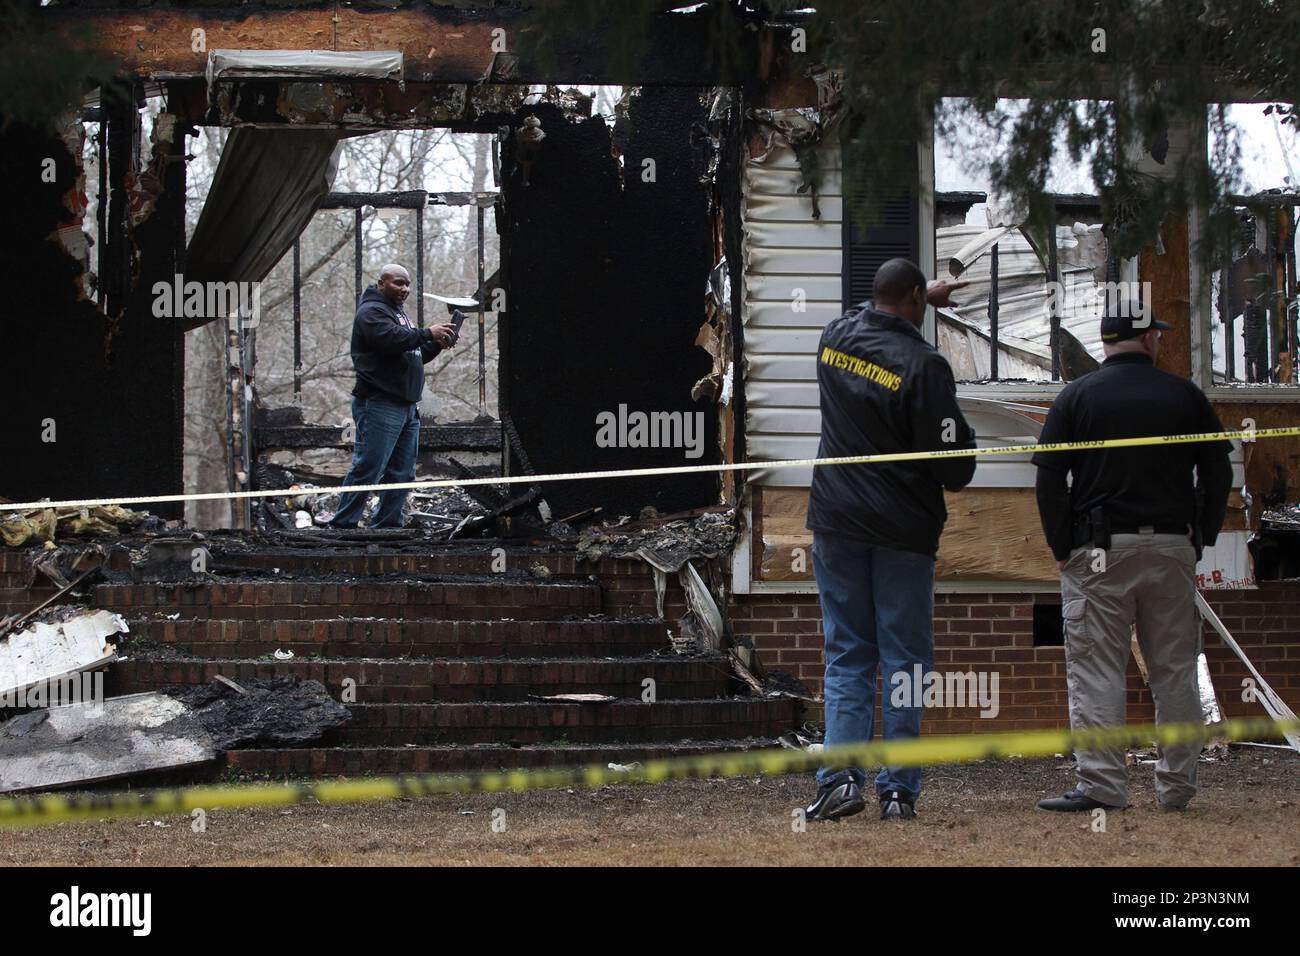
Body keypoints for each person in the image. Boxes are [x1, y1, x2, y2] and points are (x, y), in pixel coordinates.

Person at [1032, 307, 1233, 812]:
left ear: (1106, 343)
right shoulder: (1184, 395)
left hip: (1099, 554)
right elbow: (1218, 471)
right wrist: (1200, 535)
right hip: (1170, 550)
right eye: (1157, 335)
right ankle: (1178, 787)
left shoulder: (1075, 397)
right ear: (1145, 339)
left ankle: (1102, 787)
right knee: (1175, 669)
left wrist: (1062, 548)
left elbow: (1050, 480)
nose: (1161, 342)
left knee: (1098, 667)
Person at [804, 258, 975, 822]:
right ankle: (898, 790)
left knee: (848, 653)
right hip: (902, 531)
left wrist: (920, 294)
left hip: (836, 522)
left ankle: (839, 783)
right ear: (917, 301)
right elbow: (953, 466)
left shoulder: (834, 339)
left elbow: (869, 313)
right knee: (904, 660)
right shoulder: (926, 367)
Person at [330, 264, 458, 529]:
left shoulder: (397, 314)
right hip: (380, 402)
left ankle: (388, 525)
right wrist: (426, 333)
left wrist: (436, 343)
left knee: (402, 471)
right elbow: (390, 339)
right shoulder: (371, 312)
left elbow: (414, 355)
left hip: (406, 405)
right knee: (369, 466)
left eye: (408, 284)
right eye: (398, 283)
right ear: (381, 283)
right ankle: (343, 526)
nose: (405, 289)